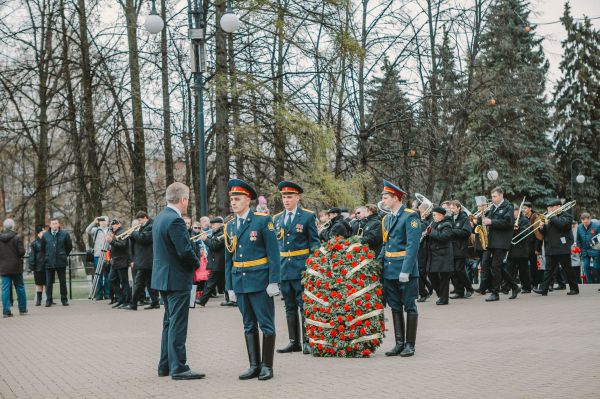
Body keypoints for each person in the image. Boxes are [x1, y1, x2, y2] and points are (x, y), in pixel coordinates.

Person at [224, 179, 281, 381]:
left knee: (266, 324)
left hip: (259, 282)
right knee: (248, 325)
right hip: (240, 282)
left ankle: (267, 366)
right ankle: (254, 365)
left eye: (237, 199)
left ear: (248, 200)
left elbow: (274, 254)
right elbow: (228, 259)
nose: (234, 203)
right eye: (232, 199)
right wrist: (229, 286)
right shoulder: (229, 226)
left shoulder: (262, 220)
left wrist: (274, 281)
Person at [151, 182, 203, 380]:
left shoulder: (159, 218)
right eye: (187, 200)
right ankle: (179, 367)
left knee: (169, 323)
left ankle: (165, 365)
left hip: (163, 278)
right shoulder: (175, 220)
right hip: (177, 278)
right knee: (178, 324)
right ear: (183, 200)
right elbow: (184, 251)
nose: (187, 203)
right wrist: (196, 263)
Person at [272, 181, 319, 355]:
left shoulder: (307, 216)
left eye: (289, 196)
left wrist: (314, 263)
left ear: (297, 198)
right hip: (284, 268)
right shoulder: (277, 218)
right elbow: (276, 245)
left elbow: (314, 242)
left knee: (303, 305)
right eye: (284, 197)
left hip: (301, 267)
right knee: (289, 306)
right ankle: (294, 341)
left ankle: (307, 341)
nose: (286, 200)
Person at [379, 180, 420, 357]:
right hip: (389, 270)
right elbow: (385, 245)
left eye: (386, 197)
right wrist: (376, 265)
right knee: (395, 306)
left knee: (409, 306)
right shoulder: (387, 218)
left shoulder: (410, 216)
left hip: (405, 271)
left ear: (396, 198)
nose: (383, 200)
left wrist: (406, 270)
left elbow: (412, 246)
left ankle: (410, 345)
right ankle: (399, 343)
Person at [480, 187, 520, 302]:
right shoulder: (493, 207)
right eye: (492, 196)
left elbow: (508, 223)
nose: (492, 199)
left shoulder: (508, 207)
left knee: (496, 266)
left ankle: (495, 293)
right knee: (494, 266)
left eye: (494, 196)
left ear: (501, 195)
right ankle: (514, 286)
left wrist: (491, 222)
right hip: (492, 241)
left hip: (502, 241)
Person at [533, 199, 579, 296]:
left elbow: (562, 225)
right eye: (548, 207)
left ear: (558, 206)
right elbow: (545, 233)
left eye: (551, 207)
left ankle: (574, 288)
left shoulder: (566, 216)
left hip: (562, 247)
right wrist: (542, 227)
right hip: (550, 247)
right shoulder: (549, 218)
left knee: (567, 269)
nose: (549, 209)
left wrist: (552, 216)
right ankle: (543, 289)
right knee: (548, 270)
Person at [123, 211, 158, 310]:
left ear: (145, 218)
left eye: (140, 220)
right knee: (149, 282)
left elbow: (144, 238)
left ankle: (133, 304)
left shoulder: (151, 226)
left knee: (138, 282)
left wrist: (133, 233)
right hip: (144, 259)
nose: (139, 222)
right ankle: (155, 302)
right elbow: (138, 240)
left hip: (146, 259)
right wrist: (131, 235)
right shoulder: (145, 226)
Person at [196, 217, 232, 307]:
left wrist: (205, 239)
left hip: (219, 263)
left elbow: (214, 245)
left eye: (214, 224)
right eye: (211, 224)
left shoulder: (222, 233)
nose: (212, 226)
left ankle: (202, 300)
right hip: (218, 262)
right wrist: (207, 237)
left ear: (220, 224)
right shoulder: (216, 233)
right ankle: (231, 299)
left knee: (211, 282)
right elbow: (213, 242)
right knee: (224, 282)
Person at [424, 207, 454, 305]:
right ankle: (441, 295)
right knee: (431, 274)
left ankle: (444, 298)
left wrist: (430, 231)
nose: (433, 217)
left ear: (441, 215)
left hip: (444, 255)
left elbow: (443, 237)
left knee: (444, 278)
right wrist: (425, 235)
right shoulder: (433, 223)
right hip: (434, 254)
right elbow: (432, 235)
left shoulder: (447, 224)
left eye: (435, 215)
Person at [41, 218, 73, 307]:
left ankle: (64, 300)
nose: (54, 225)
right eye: (53, 224)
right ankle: (49, 300)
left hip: (61, 261)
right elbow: (42, 248)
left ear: (58, 224)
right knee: (48, 282)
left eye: (56, 223)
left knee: (62, 282)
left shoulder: (65, 234)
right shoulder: (45, 235)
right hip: (49, 261)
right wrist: (48, 255)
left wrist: (63, 254)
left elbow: (69, 247)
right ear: (50, 225)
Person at [0, 219, 26, 317]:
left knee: (5, 289)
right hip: (16, 266)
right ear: (12, 226)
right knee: (20, 287)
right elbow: (21, 252)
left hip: (3, 267)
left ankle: (6, 311)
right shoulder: (17, 237)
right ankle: (22, 309)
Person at [448, 200, 474, 299]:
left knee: (460, 270)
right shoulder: (449, 218)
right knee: (453, 271)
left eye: (453, 207)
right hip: (451, 248)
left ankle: (469, 289)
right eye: (450, 208)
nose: (451, 209)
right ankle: (459, 291)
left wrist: (453, 231)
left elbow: (467, 232)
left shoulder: (464, 218)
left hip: (460, 248)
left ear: (458, 208)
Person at [106, 220, 131, 308]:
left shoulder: (123, 232)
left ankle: (127, 301)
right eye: (112, 224)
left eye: (115, 224)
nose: (113, 226)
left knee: (124, 282)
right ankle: (121, 299)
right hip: (115, 261)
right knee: (111, 280)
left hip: (122, 261)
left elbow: (123, 245)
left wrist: (111, 241)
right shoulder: (114, 233)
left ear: (119, 224)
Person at [507, 205, 532, 292]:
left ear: (518, 211)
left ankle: (527, 287)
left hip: (521, 249)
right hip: (511, 249)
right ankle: (506, 287)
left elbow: (526, 233)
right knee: (509, 269)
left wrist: (516, 230)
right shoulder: (510, 220)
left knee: (523, 270)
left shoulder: (524, 220)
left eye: (513, 211)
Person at [85, 216, 111, 300]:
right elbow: (87, 230)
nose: (103, 222)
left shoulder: (110, 230)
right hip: (97, 255)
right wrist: (94, 222)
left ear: (108, 222)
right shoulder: (96, 230)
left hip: (107, 255)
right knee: (98, 275)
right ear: (99, 222)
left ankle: (107, 293)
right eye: (102, 220)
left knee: (107, 275)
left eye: (105, 220)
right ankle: (99, 294)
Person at [522, 202, 544, 288]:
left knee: (534, 266)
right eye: (523, 208)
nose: (523, 210)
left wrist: (537, 248)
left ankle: (535, 283)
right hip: (525, 246)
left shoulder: (535, 218)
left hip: (534, 246)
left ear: (530, 208)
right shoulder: (523, 218)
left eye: (525, 208)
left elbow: (539, 235)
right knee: (525, 266)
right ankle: (528, 283)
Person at [576, 213, 600, 284]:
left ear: (590, 219)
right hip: (584, 251)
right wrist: (580, 248)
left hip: (595, 250)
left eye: (587, 222)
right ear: (581, 220)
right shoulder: (579, 227)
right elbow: (578, 239)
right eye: (584, 222)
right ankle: (590, 283)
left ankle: (598, 282)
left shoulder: (597, 226)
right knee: (586, 267)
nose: (585, 223)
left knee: (596, 268)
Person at [417, 203, 433, 302]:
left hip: (423, 249)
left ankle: (425, 291)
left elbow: (426, 234)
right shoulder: (422, 221)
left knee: (420, 271)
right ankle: (426, 289)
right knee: (419, 272)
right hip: (419, 249)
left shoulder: (425, 222)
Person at [28, 226, 46, 306]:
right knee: (39, 284)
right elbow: (32, 256)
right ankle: (39, 300)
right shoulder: (34, 243)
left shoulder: (47, 242)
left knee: (48, 283)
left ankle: (49, 299)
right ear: (39, 232)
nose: (45, 232)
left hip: (47, 266)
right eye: (43, 231)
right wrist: (32, 266)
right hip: (38, 267)